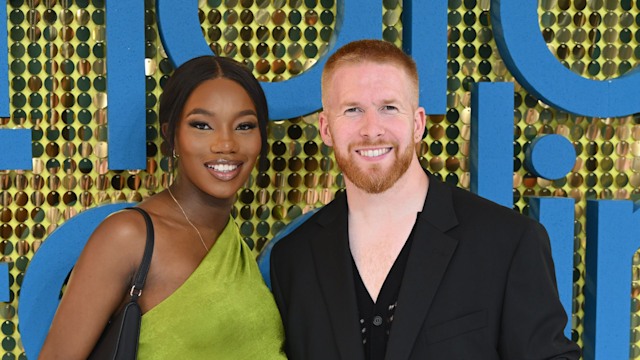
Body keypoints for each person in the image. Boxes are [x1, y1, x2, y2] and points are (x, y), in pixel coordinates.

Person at [269, 39, 580, 359]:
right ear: (326, 129)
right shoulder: (293, 260)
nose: (371, 129)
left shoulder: (508, 242)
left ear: (417, 124)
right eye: (353, 110)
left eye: (388, 108)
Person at [40, 56, 286, 359]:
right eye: (202, 125)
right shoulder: (128, 236)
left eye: (245, 126)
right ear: (171, 136)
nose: (226, 144)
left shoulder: (229, 238)